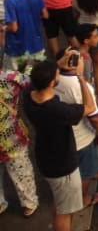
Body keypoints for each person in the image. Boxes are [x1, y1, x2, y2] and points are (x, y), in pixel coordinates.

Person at [24, 57, 95, 231]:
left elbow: (40, 78)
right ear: (51, 82)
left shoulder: (29, 95)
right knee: (65, 212)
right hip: (63, 167)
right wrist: (81, 78)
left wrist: (56, 65)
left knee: (60, 203)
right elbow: (90, 107)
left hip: (45, 158)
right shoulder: (57, 110)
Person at [55, 40, 98, 208]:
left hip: (64, 136)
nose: (83, 61)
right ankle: (84, 200)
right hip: (83, 138)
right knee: (85, 172)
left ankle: (92, 173)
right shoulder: (80, 86)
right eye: (79, 59)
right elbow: (95, 117)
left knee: (77, 166)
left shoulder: (53, 80)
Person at [0, 68, 39, 217]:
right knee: (21, 171)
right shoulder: (11, 77)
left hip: (9, 136)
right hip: (11, 136)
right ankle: (29, 203)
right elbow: (33, 83)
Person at [2, 0, 47, 71]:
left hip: (18, 50)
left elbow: (14, 27)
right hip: (37, 46)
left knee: (9, 82)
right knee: (35, 78)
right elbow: (45, 14)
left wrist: (3, 27)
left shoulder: (10, 1)